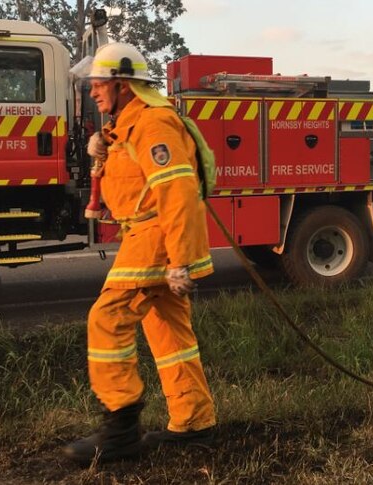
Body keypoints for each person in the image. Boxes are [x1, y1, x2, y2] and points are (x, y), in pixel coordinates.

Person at [64, 42, 216, 465]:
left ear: (124, 83)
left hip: (156, 236)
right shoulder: (129, 123)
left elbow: (179, 191)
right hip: (147, 234)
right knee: (169, 332)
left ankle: (120, 428)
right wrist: (103, 145)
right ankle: (194, 421)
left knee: (107, 318)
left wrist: (179, 260)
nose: (93, 91)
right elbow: (133, 174)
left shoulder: (155, 124)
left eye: (99, 83)